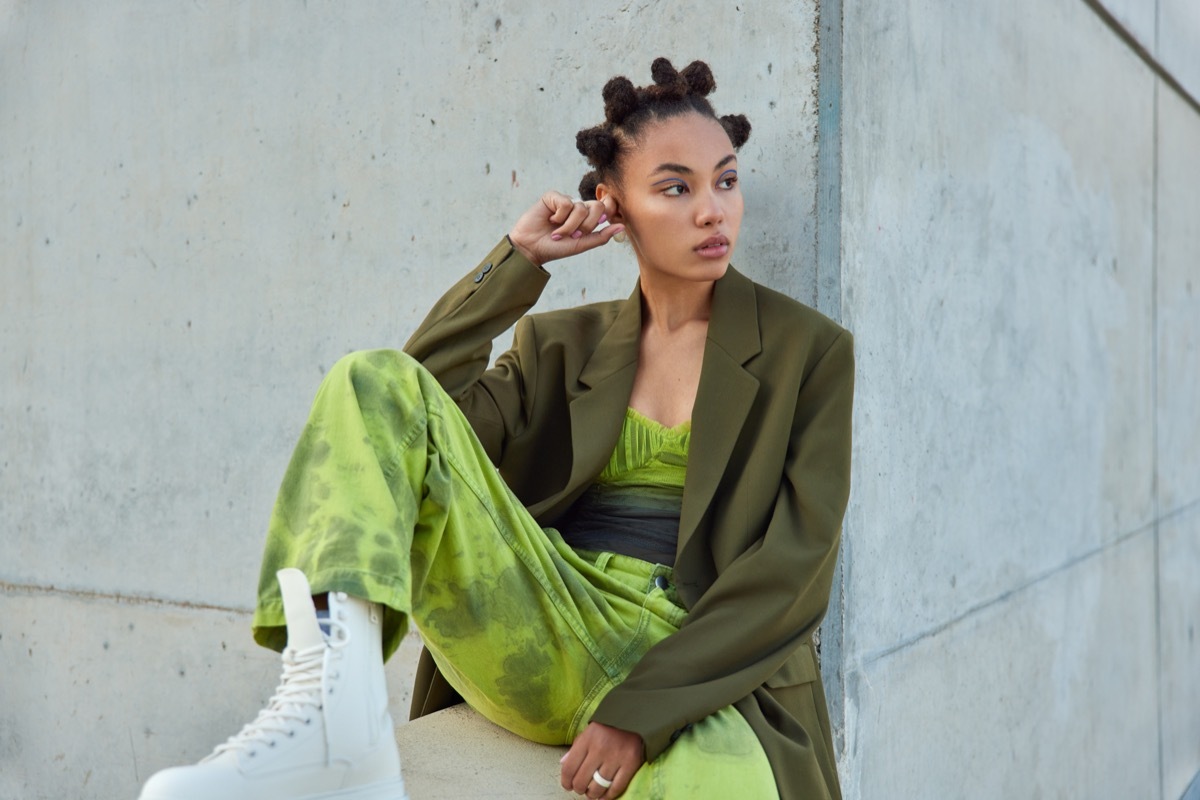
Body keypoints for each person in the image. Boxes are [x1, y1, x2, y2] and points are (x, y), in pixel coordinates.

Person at [138, 57, 853, 800]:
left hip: (692, 643)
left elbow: (791, 575)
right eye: (676, 187)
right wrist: (516, 266)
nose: (714, 210)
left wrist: (639, 714)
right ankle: (329, 715)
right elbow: (403, 425)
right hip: (551, 611)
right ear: (613, 207)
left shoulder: (810, 351)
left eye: (726, 181)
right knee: (368, 376)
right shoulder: (559, 344)